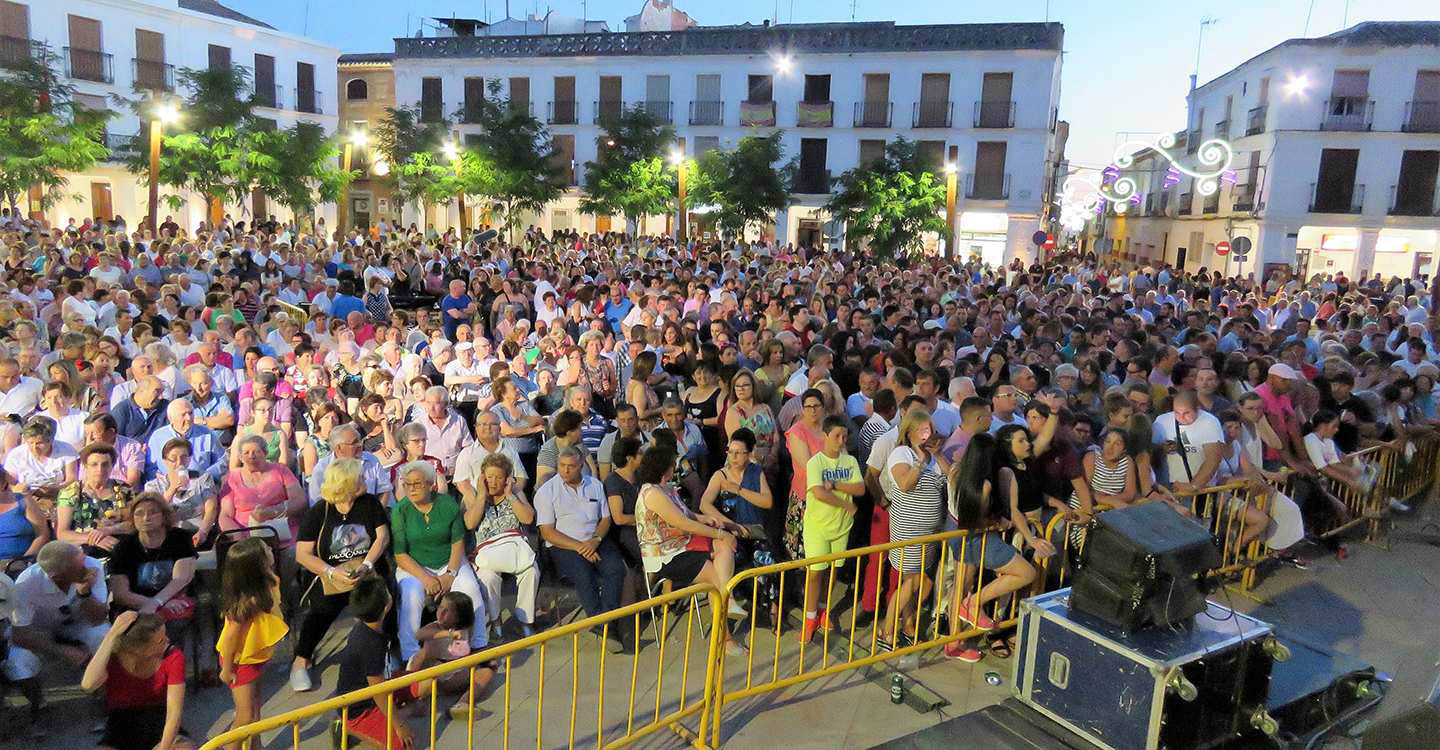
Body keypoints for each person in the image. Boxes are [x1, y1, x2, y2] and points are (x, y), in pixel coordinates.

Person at [289, 458, 391, 693]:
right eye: (360, 477)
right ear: (347, 483)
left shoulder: (369, 504)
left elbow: (382, 537)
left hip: (366, 570)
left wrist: (365, 565)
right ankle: (301, 659)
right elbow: (303, 554)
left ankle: (383, 653)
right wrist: (332, 572)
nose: (365, 480)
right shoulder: (320, 511)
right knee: (321, 610)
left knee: (380, 601)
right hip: (331, 573)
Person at [633, 442, 746, 651]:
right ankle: (725, 636)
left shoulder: (666, 488)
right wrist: (719, 532)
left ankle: (726, 599)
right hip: (666, 555)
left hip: (682, 543)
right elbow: (681, 523)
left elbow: (686, 515)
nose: (675, 467)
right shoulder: (653, 494)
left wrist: (705, 519)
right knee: (715, 576)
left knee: (724, 546)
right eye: (672, 464)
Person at [943, 433, 1036, 663]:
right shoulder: (984, 485)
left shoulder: (956, 470)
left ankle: (953, 642)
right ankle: (973, 603)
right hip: (976, 535)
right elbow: (974, 520)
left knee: (962, 583)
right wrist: (1000, 523)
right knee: (1026, 572)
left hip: (955, 531)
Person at [5, 541, 111, 728]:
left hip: (76, 624)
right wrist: (61, 650)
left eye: (83, 558)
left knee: (102, 636)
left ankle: (101, 697)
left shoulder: (93, 566)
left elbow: (98, 618)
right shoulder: (26, 583)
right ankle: (39, 705)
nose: (86, 565)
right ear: (57, 575)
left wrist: (84, 594)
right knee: (18, 661)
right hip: (37, 632)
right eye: (79, 565)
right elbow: (20, 634)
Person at [391, 460, 488, 661]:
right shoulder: (400, 510)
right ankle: (409, 655)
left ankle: (479, 644)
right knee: (412, 595)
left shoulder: (447, 504)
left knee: (470, 589)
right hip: (414, 565)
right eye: (407, 484)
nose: (411, 489)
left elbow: (457, 541)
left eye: (417, 484)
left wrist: (450, 574)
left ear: (430, 484)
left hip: (449, 561)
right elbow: (400, 554)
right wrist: (426, 579)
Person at [535, 447, 630, 651]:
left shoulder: (595, 485)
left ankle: (602, 624)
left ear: (580, 466)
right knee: (583, 574)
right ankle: (606, 625)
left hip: (595, 539)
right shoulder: (547, 492)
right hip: (564, 545)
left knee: (615, 569)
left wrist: (594, 541)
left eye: (571, 466)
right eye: (562, 466)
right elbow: (548, 533)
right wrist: (580, 547)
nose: (566, 470)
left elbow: (605, 518)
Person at [881, 408, 950, 648]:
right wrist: (921, 462)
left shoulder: (934, 457)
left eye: (929, 429)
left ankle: (908, 622)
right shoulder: (902, 453)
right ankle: (887, 627)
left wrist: (938, 455)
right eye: (922, 430)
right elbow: (905, 484)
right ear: (910, 432)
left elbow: (951, 480)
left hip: (930, 532)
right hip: (908, 530)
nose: (927, 434)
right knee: (914, 582)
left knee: (917, 580)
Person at [80, 611, 195, 750]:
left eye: (165, 635)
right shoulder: (113, 657)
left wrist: (164, 747)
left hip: (158, 719)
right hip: (120, 724)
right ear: (138, 649)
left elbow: (174, 713)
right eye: (160, 641)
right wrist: (111, 635)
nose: (167, 641)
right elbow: (88, 684)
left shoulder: (173, 656)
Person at [216, 537, 288, 750]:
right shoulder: (246, 602)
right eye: (266, 549)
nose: (270, 549)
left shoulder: (266, 582)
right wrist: (227, 670)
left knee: (255, 711)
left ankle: (256, 746)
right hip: (239, 662)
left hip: (253, 657)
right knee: (245, 715)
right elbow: (230, 639)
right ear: (256, 565)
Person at [333, 576, 418, 750]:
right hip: (360, 709)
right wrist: (399, 725)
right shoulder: (370, 643)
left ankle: (400, 712)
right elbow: (378, 691)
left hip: (384, 683)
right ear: (386, 605)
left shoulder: (371, 625)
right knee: (403, 745)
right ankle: (346, 727)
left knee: (427, 683)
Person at [462, 453, 538, 640]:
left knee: (531, 572)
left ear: (507, 479)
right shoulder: (472, 495)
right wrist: (481, 497)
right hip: (486, 552)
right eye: (489, 477)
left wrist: (510, 496)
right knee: (488, 578)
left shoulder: (515, 493)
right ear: (482, 478)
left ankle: (525, 620)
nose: (493, 482)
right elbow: (470, 524)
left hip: (515, 548)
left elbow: (528, 518)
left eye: (498, 477)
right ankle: (496, 621)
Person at [801, 415, 863, 642]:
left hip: (841, 526)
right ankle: (810, 618)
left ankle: (825, 610)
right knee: (815, 573)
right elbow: (818, 492)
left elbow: (860, 488)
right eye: (836, 435)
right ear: (825, 436)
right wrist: (846, 503)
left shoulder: (850, 462)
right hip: (817, 526)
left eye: (844, 436)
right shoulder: (815, 462)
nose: (841, 440)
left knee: (833, 572)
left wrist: (836, 485)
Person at [107, 493, 198, 623]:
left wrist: (157, 602)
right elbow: (121, 594)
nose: (146, 518)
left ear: (164, 516)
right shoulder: (124, 546)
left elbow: (182, 578)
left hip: (173, 598)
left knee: (179, 612)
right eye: (139, 513)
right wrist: (153, 603)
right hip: (136, 606)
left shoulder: (180, 538)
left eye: (153, 512)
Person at [782, 388, 827, 560]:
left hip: (830, 496)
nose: (812, 410)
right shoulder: (796, 432)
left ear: (823, 407)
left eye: (816, 406)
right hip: (805, 497)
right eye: (808, 407)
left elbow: (843, 457)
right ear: (802, 409)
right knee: (802, 551)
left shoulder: (829, 428)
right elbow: (809, 466)